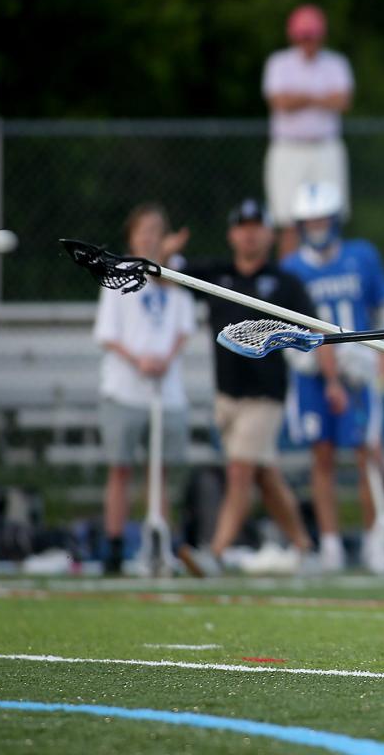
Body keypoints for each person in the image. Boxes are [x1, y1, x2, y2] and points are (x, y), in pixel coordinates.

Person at [170, 199, 315, 575]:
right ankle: (304, 545)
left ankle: (214, 553)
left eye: (257, 226)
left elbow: (316, 331)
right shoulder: (217, 274)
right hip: (226, 397)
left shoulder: (285, 283)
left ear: (269, 234)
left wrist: (329, 379)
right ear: (233, 233)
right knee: (264, 476)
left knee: (239, 472)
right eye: (242, 226)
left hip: (264, 396)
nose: (250, 234)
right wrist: (163, 253)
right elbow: (166, 274)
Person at [280, 181, 384, 573]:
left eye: (323, 218)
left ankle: (377, 541)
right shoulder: (291, 267)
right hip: (312, 373)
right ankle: (331, 545)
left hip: (357, 368)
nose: (318, 226)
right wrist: (310, 361)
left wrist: (378, 354)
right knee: (321, 456)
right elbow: (284, 325)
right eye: (311, 220)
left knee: (368, 454)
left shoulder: (361, 256)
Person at [93, 203, 196, 574]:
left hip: (166, 390)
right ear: (131, 236)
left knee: (161, 471)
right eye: (143, 229)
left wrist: (164, 357)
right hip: (125, 388)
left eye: (156, 229)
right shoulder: (118, 274)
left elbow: (183, 327)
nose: (149, 236)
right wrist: (138, 360)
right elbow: (108, 333)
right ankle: (115, 546)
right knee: (121, 468)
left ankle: (158, 541)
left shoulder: (176, 274)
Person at [263, 4, 354, 259]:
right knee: (289, 221)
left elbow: (343, 101)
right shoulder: (279, 63)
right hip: (289, 149)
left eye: (311, 36)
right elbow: (280, 102)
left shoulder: (336, 63)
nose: (308, 42)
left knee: (331, 218)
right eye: (303, 36)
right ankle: (289, 284)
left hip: (326, 147)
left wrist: (300, 97)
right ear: (293, 36)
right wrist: (321, 98)